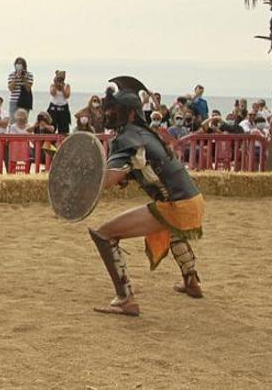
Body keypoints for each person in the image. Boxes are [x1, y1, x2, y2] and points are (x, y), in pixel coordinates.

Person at [88, 78, 205, 316]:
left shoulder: (126, 137)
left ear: (130, 114)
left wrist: (84, 182)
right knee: (172, 228)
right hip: (193, 200)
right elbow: (147, 169)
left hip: (176, 205)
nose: (109, 113)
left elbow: (108, 180)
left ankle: (125, 299)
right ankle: (191, 281)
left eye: (114, 109)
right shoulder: (144, 133)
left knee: (104, 234)